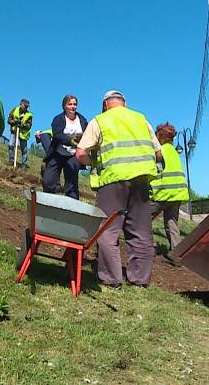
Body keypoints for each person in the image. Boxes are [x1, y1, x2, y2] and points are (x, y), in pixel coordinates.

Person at [75, 90, 164, 288]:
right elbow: (158, 153)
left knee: (107, 230)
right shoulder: (141, 119)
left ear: (106, 105)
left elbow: (80, 153)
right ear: (124, 103)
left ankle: (111, 278)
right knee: (140, 231)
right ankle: (140, 280)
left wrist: (94, 163)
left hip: (113, 181)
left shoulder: (101, 120)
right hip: (141, 181)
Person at [149, 122, 189, 263]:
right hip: (178, 193)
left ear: (159, 136)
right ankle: (176, 254)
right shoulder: (174, 152)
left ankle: (150, 247)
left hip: (163, 193)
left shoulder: (159, 151)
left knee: (144, 219)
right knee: (172, 222)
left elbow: (154, 171)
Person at [43, 95, 88, 199]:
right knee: (48, 181)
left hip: (73, 155)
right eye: (70, 104)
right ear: (64, 106)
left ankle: (72, 206)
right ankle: (48, 202)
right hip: (58, 153)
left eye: (75, 104)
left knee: (72, 184)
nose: (73, 107)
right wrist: (70, 140)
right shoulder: (58, 119)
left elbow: (87, 135)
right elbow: (57, 135)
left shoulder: (82, 120)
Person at [7, 99, 33, 168]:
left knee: (24, 150)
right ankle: (11, 160)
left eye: (27, 107)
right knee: (10, 145)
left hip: (23, 134)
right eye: (25, 106)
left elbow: (29, 126)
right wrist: (14, 122)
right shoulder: (14, 110)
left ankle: (24, 164)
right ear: (21, 104)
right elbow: (9, 120)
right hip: (14, 131)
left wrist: (22, 125)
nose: (26, 108)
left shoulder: (29, 115)